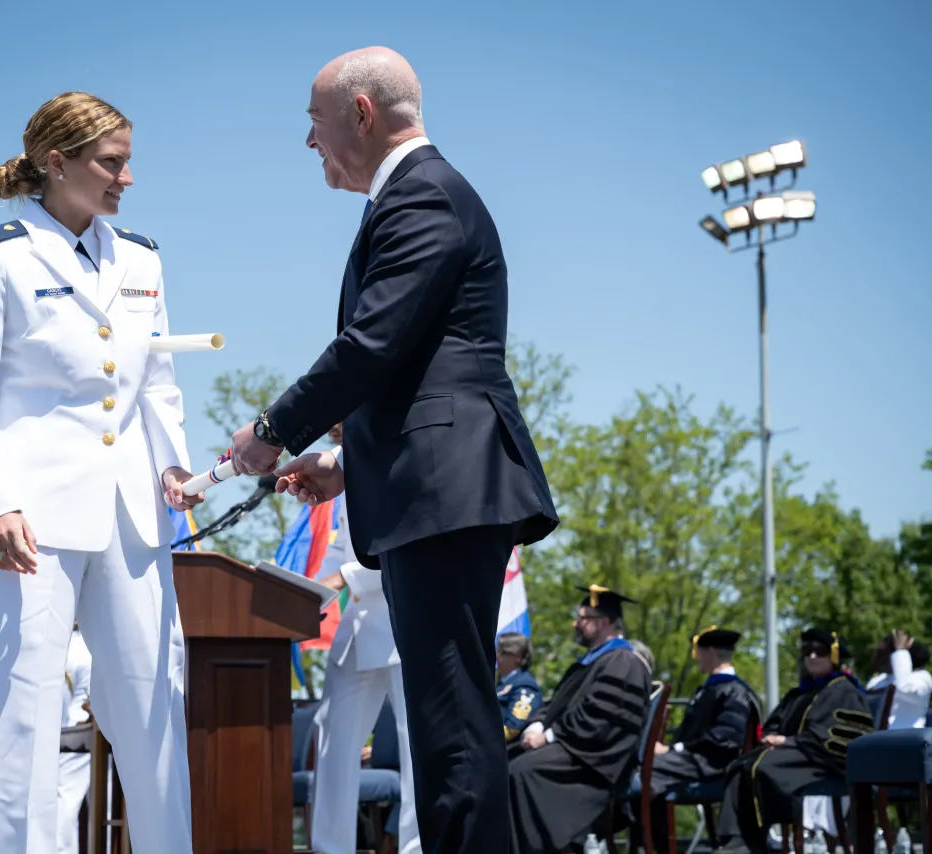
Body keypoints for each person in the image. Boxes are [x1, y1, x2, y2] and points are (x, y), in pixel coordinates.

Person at [230, 47, 559, 854]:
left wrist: (270, 435)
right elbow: (415, 364)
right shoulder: (414, 199)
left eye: (315, 123)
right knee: (447, 726)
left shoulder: (423, 198)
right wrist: (342, 465)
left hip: (446, 496)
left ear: (362, 114)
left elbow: (370, 346)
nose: (310, 143)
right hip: (432, 487)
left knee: (451, 733)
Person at [0, 91, 201, 854]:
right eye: (110, 163)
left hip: (132, 517)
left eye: (127, 163)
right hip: (31, 521)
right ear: (57, 163)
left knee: (156, 708)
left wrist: (175, 469)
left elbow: (155, 384)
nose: (125, 180)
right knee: (20, 714)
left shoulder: (142, 258)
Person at [310, 425, 421, 854]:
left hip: (401, 621)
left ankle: (416, 849)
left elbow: (406, 539)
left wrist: (344, 577)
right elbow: (342, 549)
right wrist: (309, 590)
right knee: (332, 742)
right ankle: (328, 848)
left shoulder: (398, 448)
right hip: (356, 628)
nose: (329, 426)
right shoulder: (346, 465)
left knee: (416, 748)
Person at [507, 587, 651, 854]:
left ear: (604, 622)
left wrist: (549, 736)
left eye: (583, 617)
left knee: (521, 772)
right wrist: (538, 724)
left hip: (595, 763)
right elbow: (556, 705)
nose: (576, 623)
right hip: (573, 749)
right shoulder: (591, 661)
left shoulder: (625, 662)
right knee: (503, 759)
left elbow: (600, 721)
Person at [718, 629, 874, 854]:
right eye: (807, 651)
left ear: (834, 656)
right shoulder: (800, 692)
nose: (811, 656)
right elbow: (775, 721)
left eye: (819, 651)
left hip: (825, 761)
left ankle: (755, 841)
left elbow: (835, 738)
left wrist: (789, 741)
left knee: (763, 767)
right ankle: (737, 839)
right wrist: (772, 738)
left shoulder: (844, 689)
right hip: (800, 753)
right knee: (739, 765)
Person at [633, 627, 757, 852]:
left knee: (648, 770)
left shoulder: (734, 691)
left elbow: (726, 740)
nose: (696, 658)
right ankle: (650, 845)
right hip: (696, 760)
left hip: (715, 765)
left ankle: (649, 847)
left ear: (709, 651)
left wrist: (674, 749)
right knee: (644, 768)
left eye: (698, 652)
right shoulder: (711, 688)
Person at [55, 625, 92, 854]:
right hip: (93, 734)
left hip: (70, 738)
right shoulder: (92, 644)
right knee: (106, 808)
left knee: (65, 805)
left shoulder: (64, 647)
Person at [867, 629, 932, 728]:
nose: (876, 658)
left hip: (906, 739)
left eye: (882, 653)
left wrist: (900, 651)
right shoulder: (877, 681)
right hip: (878, 738)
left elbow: (904, 687)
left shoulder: (922, 677)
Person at [496, 633, 542, 746]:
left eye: (502, 653)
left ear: (518, 657)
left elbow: (512, 729)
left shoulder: (525, 686)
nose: (497, 657)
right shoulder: (501, 684)